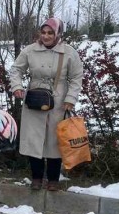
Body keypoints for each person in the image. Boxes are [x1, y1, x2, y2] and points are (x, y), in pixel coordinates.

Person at [9, 17, 85, 191]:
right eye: (43, 32)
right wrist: (17, 86)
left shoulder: (69, 52)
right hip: (34, 99)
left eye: (50, 32)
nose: (46, 36)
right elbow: (16, 69)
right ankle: (36, 177)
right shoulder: (30, 51)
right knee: (34, 140)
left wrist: (70, 99)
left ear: (58, 33)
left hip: (58, 101)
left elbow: (76, 77)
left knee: (54, 141)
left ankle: (53, 179)